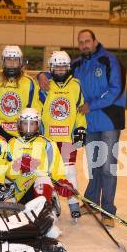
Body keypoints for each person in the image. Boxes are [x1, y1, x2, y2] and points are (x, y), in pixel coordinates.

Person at [37, 30, 126, 228]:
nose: (84, 45)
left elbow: (116, 89)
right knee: (94, 165)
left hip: (109, 121)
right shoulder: (77, 64)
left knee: (107, 167)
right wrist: (41, 74)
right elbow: (58, 72)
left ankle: (108, 210)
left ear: (95, 41)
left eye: (88, 41)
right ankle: (92, 203)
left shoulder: (110, 60)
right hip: (88, 122)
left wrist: (91, 105)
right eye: (81, 42)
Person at [40, 51, 87, 220]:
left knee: (69, 171)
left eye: (63, 67)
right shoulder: (46, 86)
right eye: (56, 67)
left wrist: (81, 128)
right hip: (49, 140)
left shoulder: (75, 85)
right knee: (49, 172)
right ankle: (53, 201)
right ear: (51, 68)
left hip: (67, 139)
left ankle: (73, 203)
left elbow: (80, 109)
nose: (60, 70)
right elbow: (38, 109)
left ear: (68, 67)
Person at [6, 108, 75, 215]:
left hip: (41, 184)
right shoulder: (12, 143)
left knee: (43, 179)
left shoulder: (47, 143)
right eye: (25, 123)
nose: (28, 128)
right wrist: (18, 167)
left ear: (38, 125)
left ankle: (48, 203)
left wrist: (61, 181)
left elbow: (56, 167)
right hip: (20, 186)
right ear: (19, 125)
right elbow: (8, 171)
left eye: (32, 124)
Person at [0, 46, 41, 141]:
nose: (12, 64)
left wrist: (31, 132)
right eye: (8, 60)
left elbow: (34, 108)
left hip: (22, 131)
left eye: (15, 60)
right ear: (3, 62)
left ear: (20, 62)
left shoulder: (29, 82)